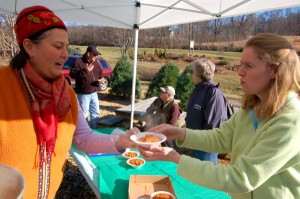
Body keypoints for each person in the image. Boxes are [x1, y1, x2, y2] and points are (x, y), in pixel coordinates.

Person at [135, 33, 300, 199]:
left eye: (248, 66)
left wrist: (175, 158)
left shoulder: (291, 121)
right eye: (241, 64)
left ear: (275, 70)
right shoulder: (250, 108)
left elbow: (241, 177)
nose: (239, 72)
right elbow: (220, 138)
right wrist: (180, 133)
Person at [0, 5, 136, 199]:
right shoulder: (3, 85)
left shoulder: (66, 94)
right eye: (57, 46)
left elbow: (84, 139)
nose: (65, 54)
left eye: (66, 46)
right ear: (29, 47)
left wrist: (121, 141)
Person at [186, 59, 228, 164]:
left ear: (199, 75)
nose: (191, 74)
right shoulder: (199, 88)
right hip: (197, 142)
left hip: (207, 146)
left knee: (206, 176)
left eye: (192, 72)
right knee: (198, 175)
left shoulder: (213, 92)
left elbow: (214, 124)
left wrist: (203, 143)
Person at [69, 45, 104, 129]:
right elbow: (72, 74)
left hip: (94, 93)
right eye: (94, 55)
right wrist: (85, 71)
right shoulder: (79, 62)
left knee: (95, 113)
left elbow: (100, 73)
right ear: (88, 53)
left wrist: (102, 79)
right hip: (83, 94)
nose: (96, 57)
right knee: (84, 114)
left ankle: (94, 130)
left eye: (97, 55)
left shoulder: (96, 62)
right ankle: (85, 132)